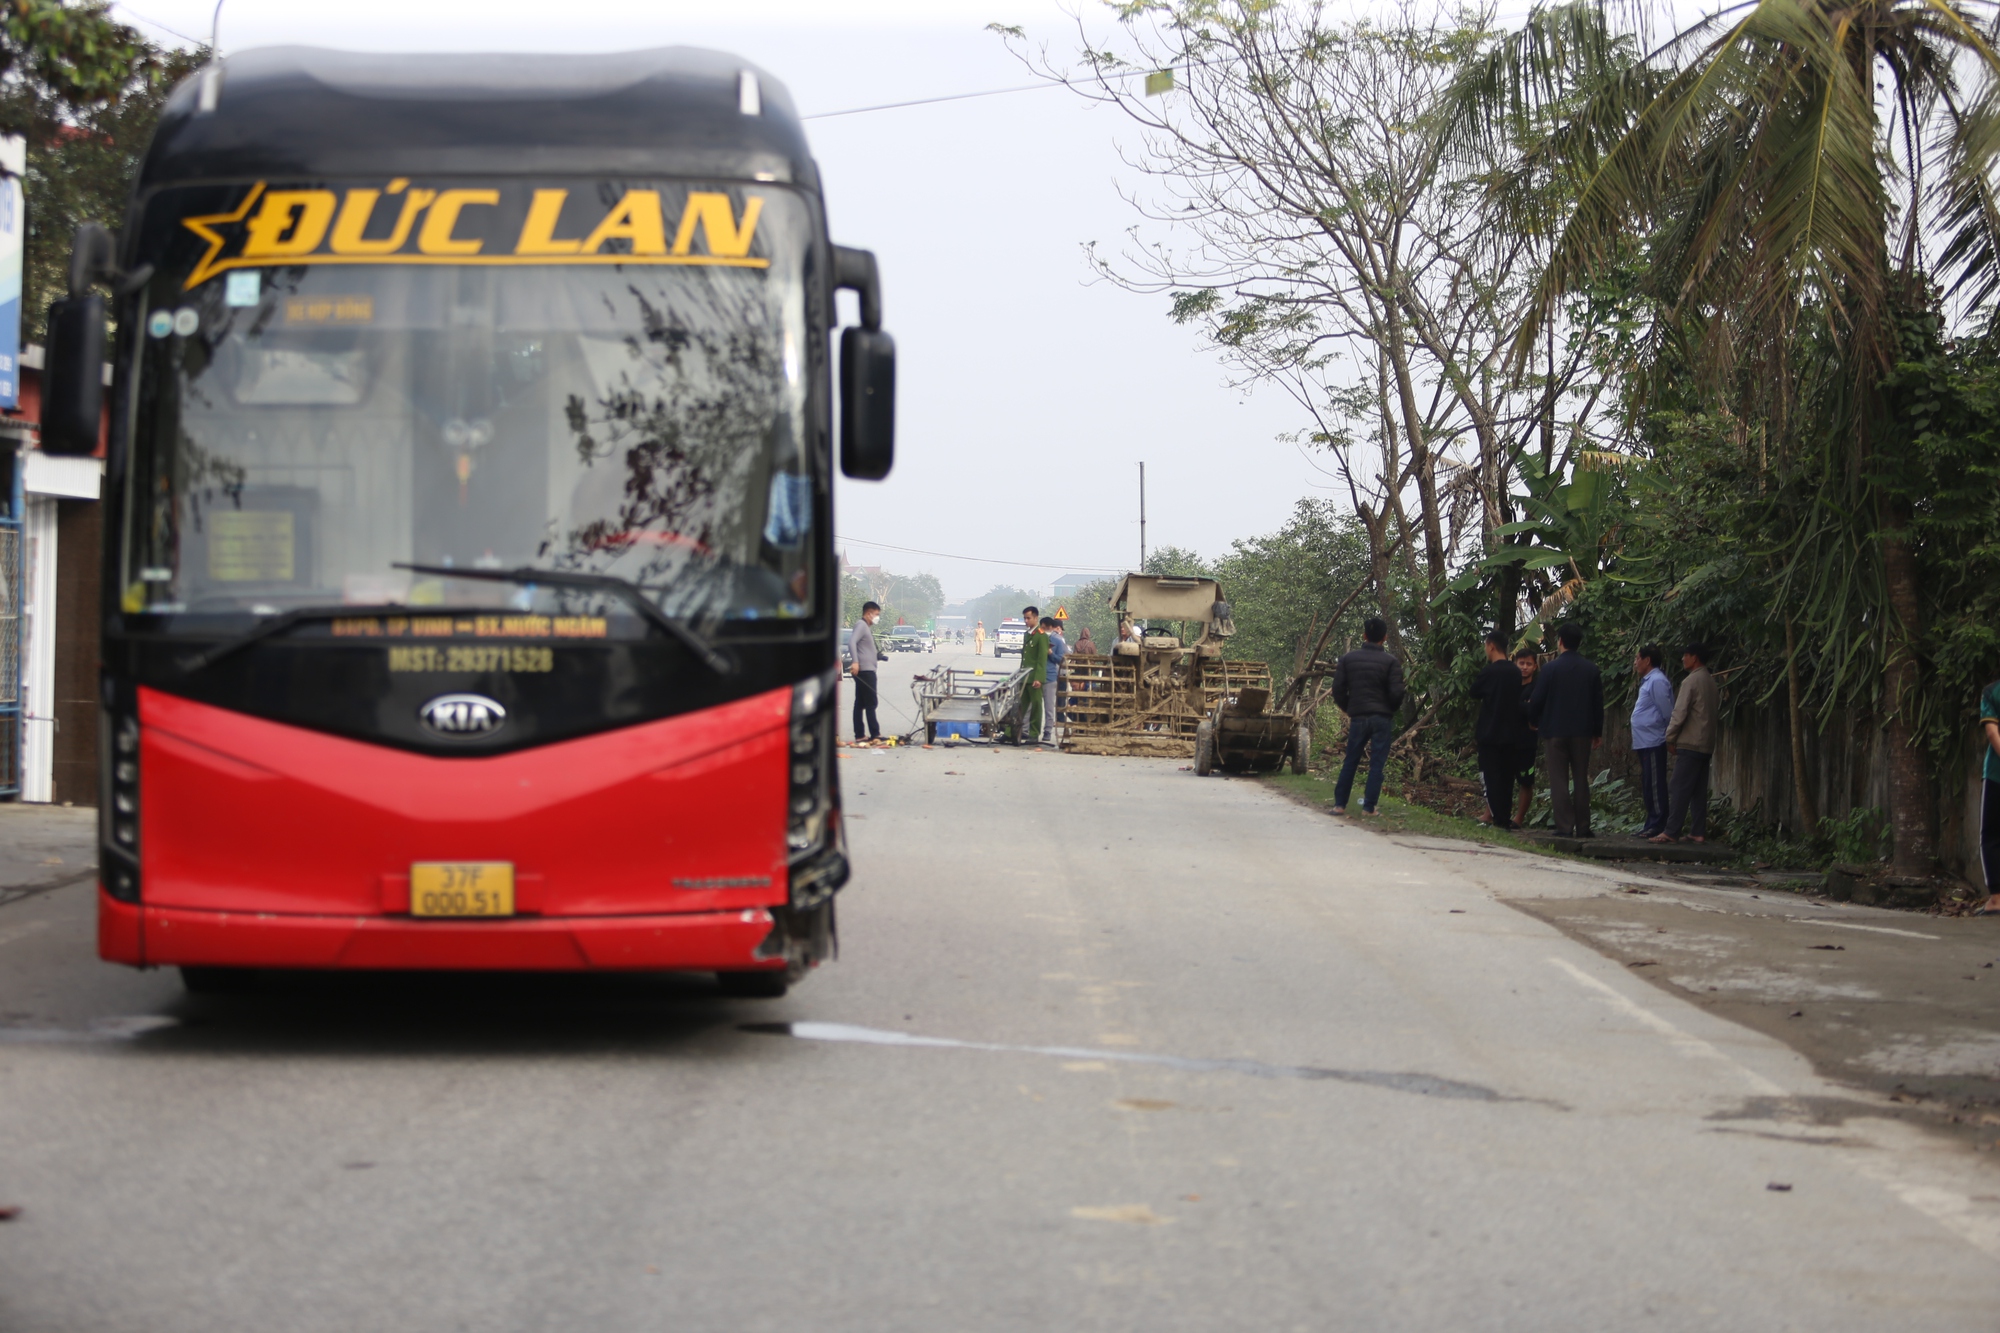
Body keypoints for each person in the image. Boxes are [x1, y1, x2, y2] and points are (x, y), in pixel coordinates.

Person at [1526, 622, 1604, 837]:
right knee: (1581, 778)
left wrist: (1533, 719)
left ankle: (1564, 826)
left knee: (1558, 779)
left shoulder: (1550, 669)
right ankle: (1584, 826)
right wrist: (1597, 732)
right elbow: (1598, 703)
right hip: (1582, 731)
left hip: (1555, 731)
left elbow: (1537, 699)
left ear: (1560, 642)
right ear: (1579, 643)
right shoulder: (1591, 669)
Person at [1330, 617, 1405, 816]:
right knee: (1376, 764)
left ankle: (1339, 805)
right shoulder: (1391, 662)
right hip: (1382, 718)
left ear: (1364, 636)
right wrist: (1388, 709)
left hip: (1358, 716)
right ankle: (1369, 807)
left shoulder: (1348, 659)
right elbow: (1397, 693)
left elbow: (1338, 689)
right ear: (1385, 637)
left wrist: (1350, 708)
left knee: (1351, 760)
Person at [1654, 642, 1719, 843]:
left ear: (1695, 658)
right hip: (1706, 743)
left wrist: (1670, 737)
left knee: (1679, 787)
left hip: (1690, 743)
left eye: (1686, 655)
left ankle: (1671, 831)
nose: (1683, 659)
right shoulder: (1710, 681)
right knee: (1698, 791)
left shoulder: (1690, 682)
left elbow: (1680, 712)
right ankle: (1697, 832)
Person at [1470, 630, 1524, 829]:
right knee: (1507, 776)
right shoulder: (1515, 672)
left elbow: (1474, 691)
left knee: (1491, 776)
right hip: (1511, 732)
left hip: (1490, 731)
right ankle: (1504, 818)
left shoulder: (1489, 672)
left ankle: (1497, 817)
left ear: (1491, 646)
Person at [1630, 643, 1674, 838]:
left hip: (1654, 740)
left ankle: (1658, 823)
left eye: (1637, 658)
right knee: (1648, 783)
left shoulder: (1657, 681)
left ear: (1647, 660)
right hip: (1644, 740)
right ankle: (1651, 822)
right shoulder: (1649, 680)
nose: (1635, 663)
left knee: (1655, 784)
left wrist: (1668, 734)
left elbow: (1667, 712)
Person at [1976, 680, 2000, 914]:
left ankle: (1997, 899)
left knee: (1991, 836)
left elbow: (1992, 732)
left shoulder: (1992, 692)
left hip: (1996, 774)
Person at [1511, 648, 1542, 828]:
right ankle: (1492, 813)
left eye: (1528, 664)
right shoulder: (1509, 685)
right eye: (1521, 663)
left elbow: (1534, 710)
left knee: (1525, 780)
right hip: (1507, 739)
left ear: (1535, 666)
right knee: (1501, 779)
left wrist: (1517, 706)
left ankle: (1518, 818)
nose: (1524, 667)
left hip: (1527, 743)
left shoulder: (1537, 687)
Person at [849, 601, 882, 745]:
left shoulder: (865, 627)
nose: (877, 618)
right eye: (876, 615)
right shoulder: (861, 625)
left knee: (861, 703)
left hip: (868, 668)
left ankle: (860, 735)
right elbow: (852, 643)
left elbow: (864, 648)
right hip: (865, 671)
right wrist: (855, 662)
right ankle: (875, 733)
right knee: (871, 702)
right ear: (869, 613)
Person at [1017, 610, 1050, 743]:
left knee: (1036, 706)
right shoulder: (1027, 635)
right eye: (1024, 618)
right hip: (1024, 677)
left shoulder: (1041, 636)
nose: (1026, 621)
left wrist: (1039, 678)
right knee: (1019, 706)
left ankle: (1034, 734)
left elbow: (1041, 660)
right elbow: (1025, 658)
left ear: (1036, 618)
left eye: (1028, 618)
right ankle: (1011, 732)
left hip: (1035, 678)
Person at [1043, 614, 1068, 742]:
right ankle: (1029, 731)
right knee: (1033, 706)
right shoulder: (1035, 638)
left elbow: (1063, 659)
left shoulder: (1058, 641)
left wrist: (1051, 654)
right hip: (1037, 675)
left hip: (1053, 675)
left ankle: (1047, 731)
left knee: (1050, 705)